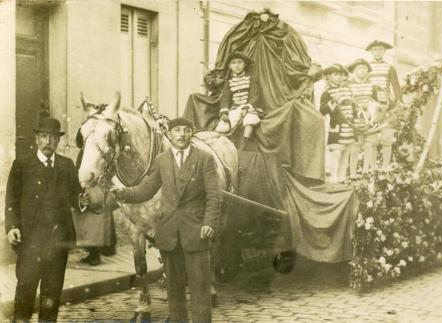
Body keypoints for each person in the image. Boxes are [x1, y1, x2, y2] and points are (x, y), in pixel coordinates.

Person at [110, 117, 223, 323]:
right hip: (169, 233)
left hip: (196, 232)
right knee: (174, 290)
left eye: (186, 130)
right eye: (177, 131)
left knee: (199, 289)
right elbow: (147, 189)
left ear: (191, 134)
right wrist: (123, 193)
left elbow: (214, 196)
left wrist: (209, 223)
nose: (182, 135)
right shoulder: (162, 160)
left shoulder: (205, 159)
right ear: (169, 135)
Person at [5, 117, 89, 322]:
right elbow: (11, 199)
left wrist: (83, 200)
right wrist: (12, 227)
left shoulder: (66, 165)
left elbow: (76, 197)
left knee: (51, 296)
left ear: (58, 141)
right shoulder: (22, 164)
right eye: (44, 137)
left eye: (53, 138)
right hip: (30, 242)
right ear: (37, 139)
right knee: (25, 291)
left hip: (57, 243)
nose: (49, 142)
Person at [214, 52, 261, 150]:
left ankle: (243, 144)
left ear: (244, 64)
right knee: (224, 125)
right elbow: (225, 99)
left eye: (240, 62)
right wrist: (224, 113)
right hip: (235, 108)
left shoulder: (250, 78)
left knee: (249, 121)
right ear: (229, 66)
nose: (237, 65)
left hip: (249, 108)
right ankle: (220, 146)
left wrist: (247, 107)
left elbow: (255, 95)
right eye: (234, 63)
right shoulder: (229, 82)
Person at [366, 40, 402, 169]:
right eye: (375, 49)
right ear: (371, 51)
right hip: (371, 107)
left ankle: (385, 167)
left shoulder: (389, 67)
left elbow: (396, 86)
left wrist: (398, 103)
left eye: (380, 49)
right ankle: (372, 168)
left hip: (386, 105)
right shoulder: (367, 67)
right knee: (372, 139)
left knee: (387, 137)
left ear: (384, 51)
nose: (378, 52)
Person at [319, 64, 356, 182]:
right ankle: (333, 178)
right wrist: (334, 102)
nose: (339, 77)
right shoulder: (327, 93)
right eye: (335, 75)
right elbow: (322, 111)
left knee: (346, 153)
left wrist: (358, 116)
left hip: (349, 126)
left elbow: (354, 107)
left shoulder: (349, 90)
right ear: (329, 77)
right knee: (336, 153)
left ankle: (341, 178)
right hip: (336, 127)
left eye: (341, 75)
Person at [348, 58, 382, 174]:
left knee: (369, 145)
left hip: (369, 119)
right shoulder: (348, 85)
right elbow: (348, 102)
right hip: (354, 119)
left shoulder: (373, 86)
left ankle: (366, 171)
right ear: (354, 70)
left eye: (364, 68)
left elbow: (376, 102)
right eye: (359, 68)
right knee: (355, 146)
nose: (362, 70)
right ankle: (352, 172)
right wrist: (356, 112)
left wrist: (372, 113)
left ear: (368, 70)